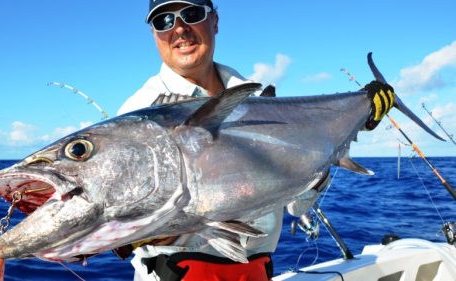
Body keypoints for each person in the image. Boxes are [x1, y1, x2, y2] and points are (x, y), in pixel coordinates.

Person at [116, 1, 395, 280]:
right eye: (163, 21)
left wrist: (344, 132)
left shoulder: (256, 99)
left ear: (214, 21)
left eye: (191, 14)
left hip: (257, 272)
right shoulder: (137, 117)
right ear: (154, 34)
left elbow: (298, 206)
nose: (179, 29)